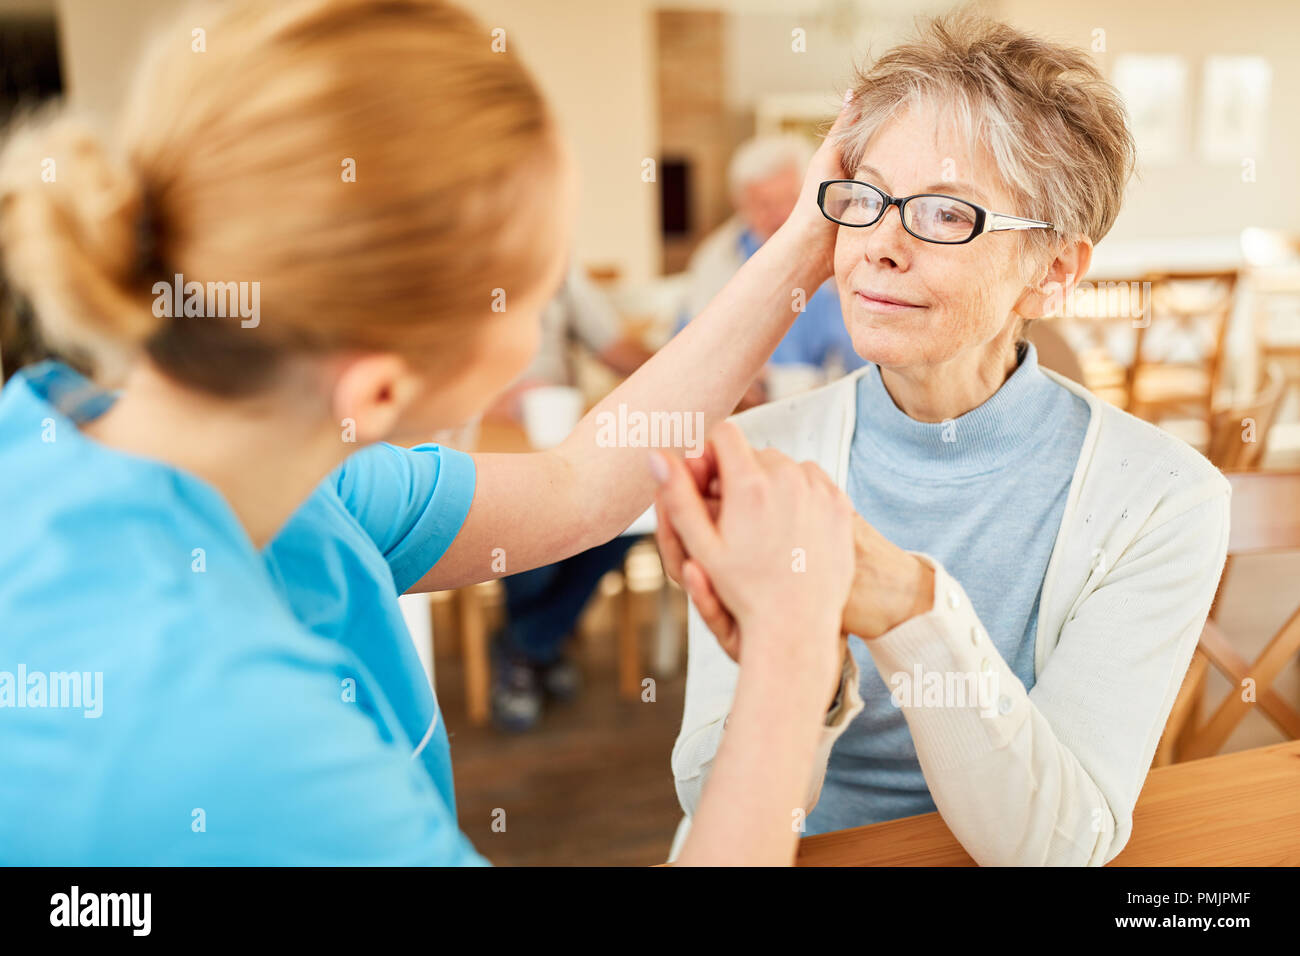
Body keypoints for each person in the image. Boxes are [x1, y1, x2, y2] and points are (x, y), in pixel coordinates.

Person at [0, 0, 858, 865]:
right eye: (530, 296)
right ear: (379, 389)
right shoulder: (239, 743)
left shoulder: (245, 466)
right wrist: (791, 652)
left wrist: (806, 242)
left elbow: (576, 487)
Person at [662, 11, 1231, 866]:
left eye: (945, 214)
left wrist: (909, 607)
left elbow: (1057, 844)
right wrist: (805, 663)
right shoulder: (760, 455)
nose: (881, 246)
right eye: (867, 199)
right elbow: (711, 798)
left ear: (1054, 273)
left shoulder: (1162, 499)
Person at [485, 264, 652, 731]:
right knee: (527, 539)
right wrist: (486, 403)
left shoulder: (555, 271)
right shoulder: (445, 267)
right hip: (479, 447)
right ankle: (537, 647)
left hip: (559, 443)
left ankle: (527, 645)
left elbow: (616, 349)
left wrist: (699, 374)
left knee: (629, 510)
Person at [678, 135, 866, 406]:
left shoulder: (845, 248)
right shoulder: (716, 259)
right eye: (763, 205)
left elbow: (866, 365)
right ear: (739, 203)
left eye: (789, 199)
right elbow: (686, 353)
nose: (779, 215)